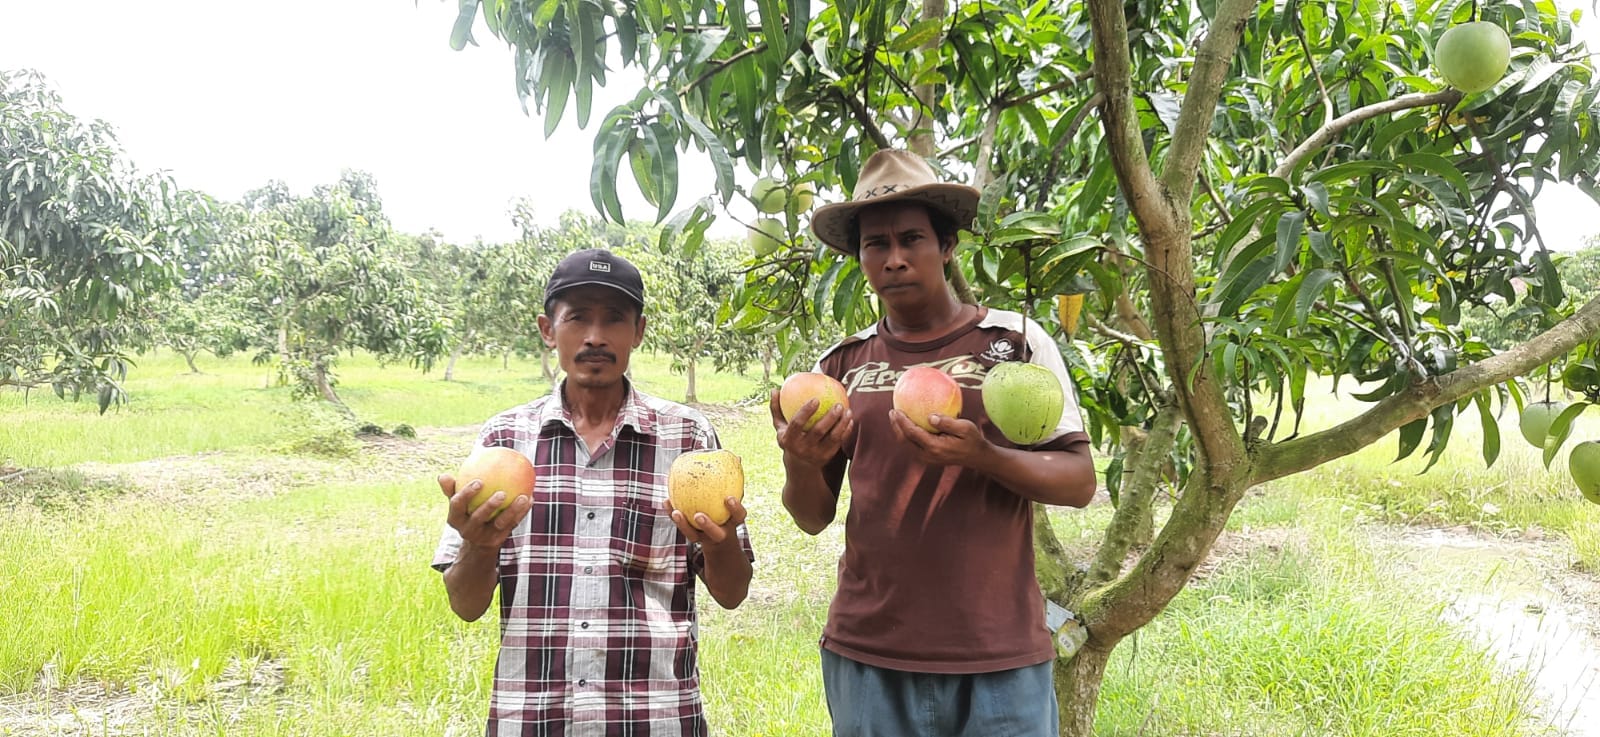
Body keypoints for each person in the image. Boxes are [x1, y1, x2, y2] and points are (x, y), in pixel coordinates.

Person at [775, 150, 1097, 736]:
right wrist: (799, 461)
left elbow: (1079, 482)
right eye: (876, 245)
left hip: (997, 652)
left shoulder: (1014, 342)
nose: (894, 259)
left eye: (912, 239)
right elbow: (812, 516)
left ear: (947, 246)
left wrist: (983, 455)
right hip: (870, 649)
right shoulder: (842, 365)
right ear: (860, 258)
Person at [432, 247, 754, 736]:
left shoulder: (687, 440)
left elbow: (732, 594)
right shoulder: (504, 442)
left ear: (639, 332)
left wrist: (719, 540)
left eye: (615, 319)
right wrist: (479, 543)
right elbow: (465, 604)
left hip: (655, 717)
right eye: (577, 317)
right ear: (547, 329)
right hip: (534, 718)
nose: (595, 337)